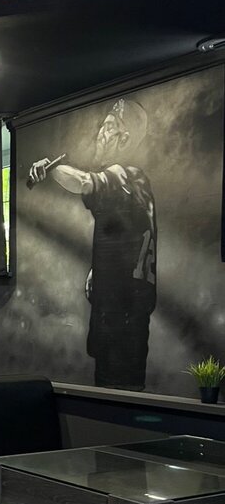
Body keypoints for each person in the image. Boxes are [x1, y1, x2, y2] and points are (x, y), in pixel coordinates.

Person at [27, 97, 156, 391]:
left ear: (124, 139)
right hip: (123, 315)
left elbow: (85, 182)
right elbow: (129, 232)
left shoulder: (124, 174)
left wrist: (51, 168)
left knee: (116, 396)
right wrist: (99, 268)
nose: (100, 133)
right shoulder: (135, 189)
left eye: (108, 127)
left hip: (122, 319)